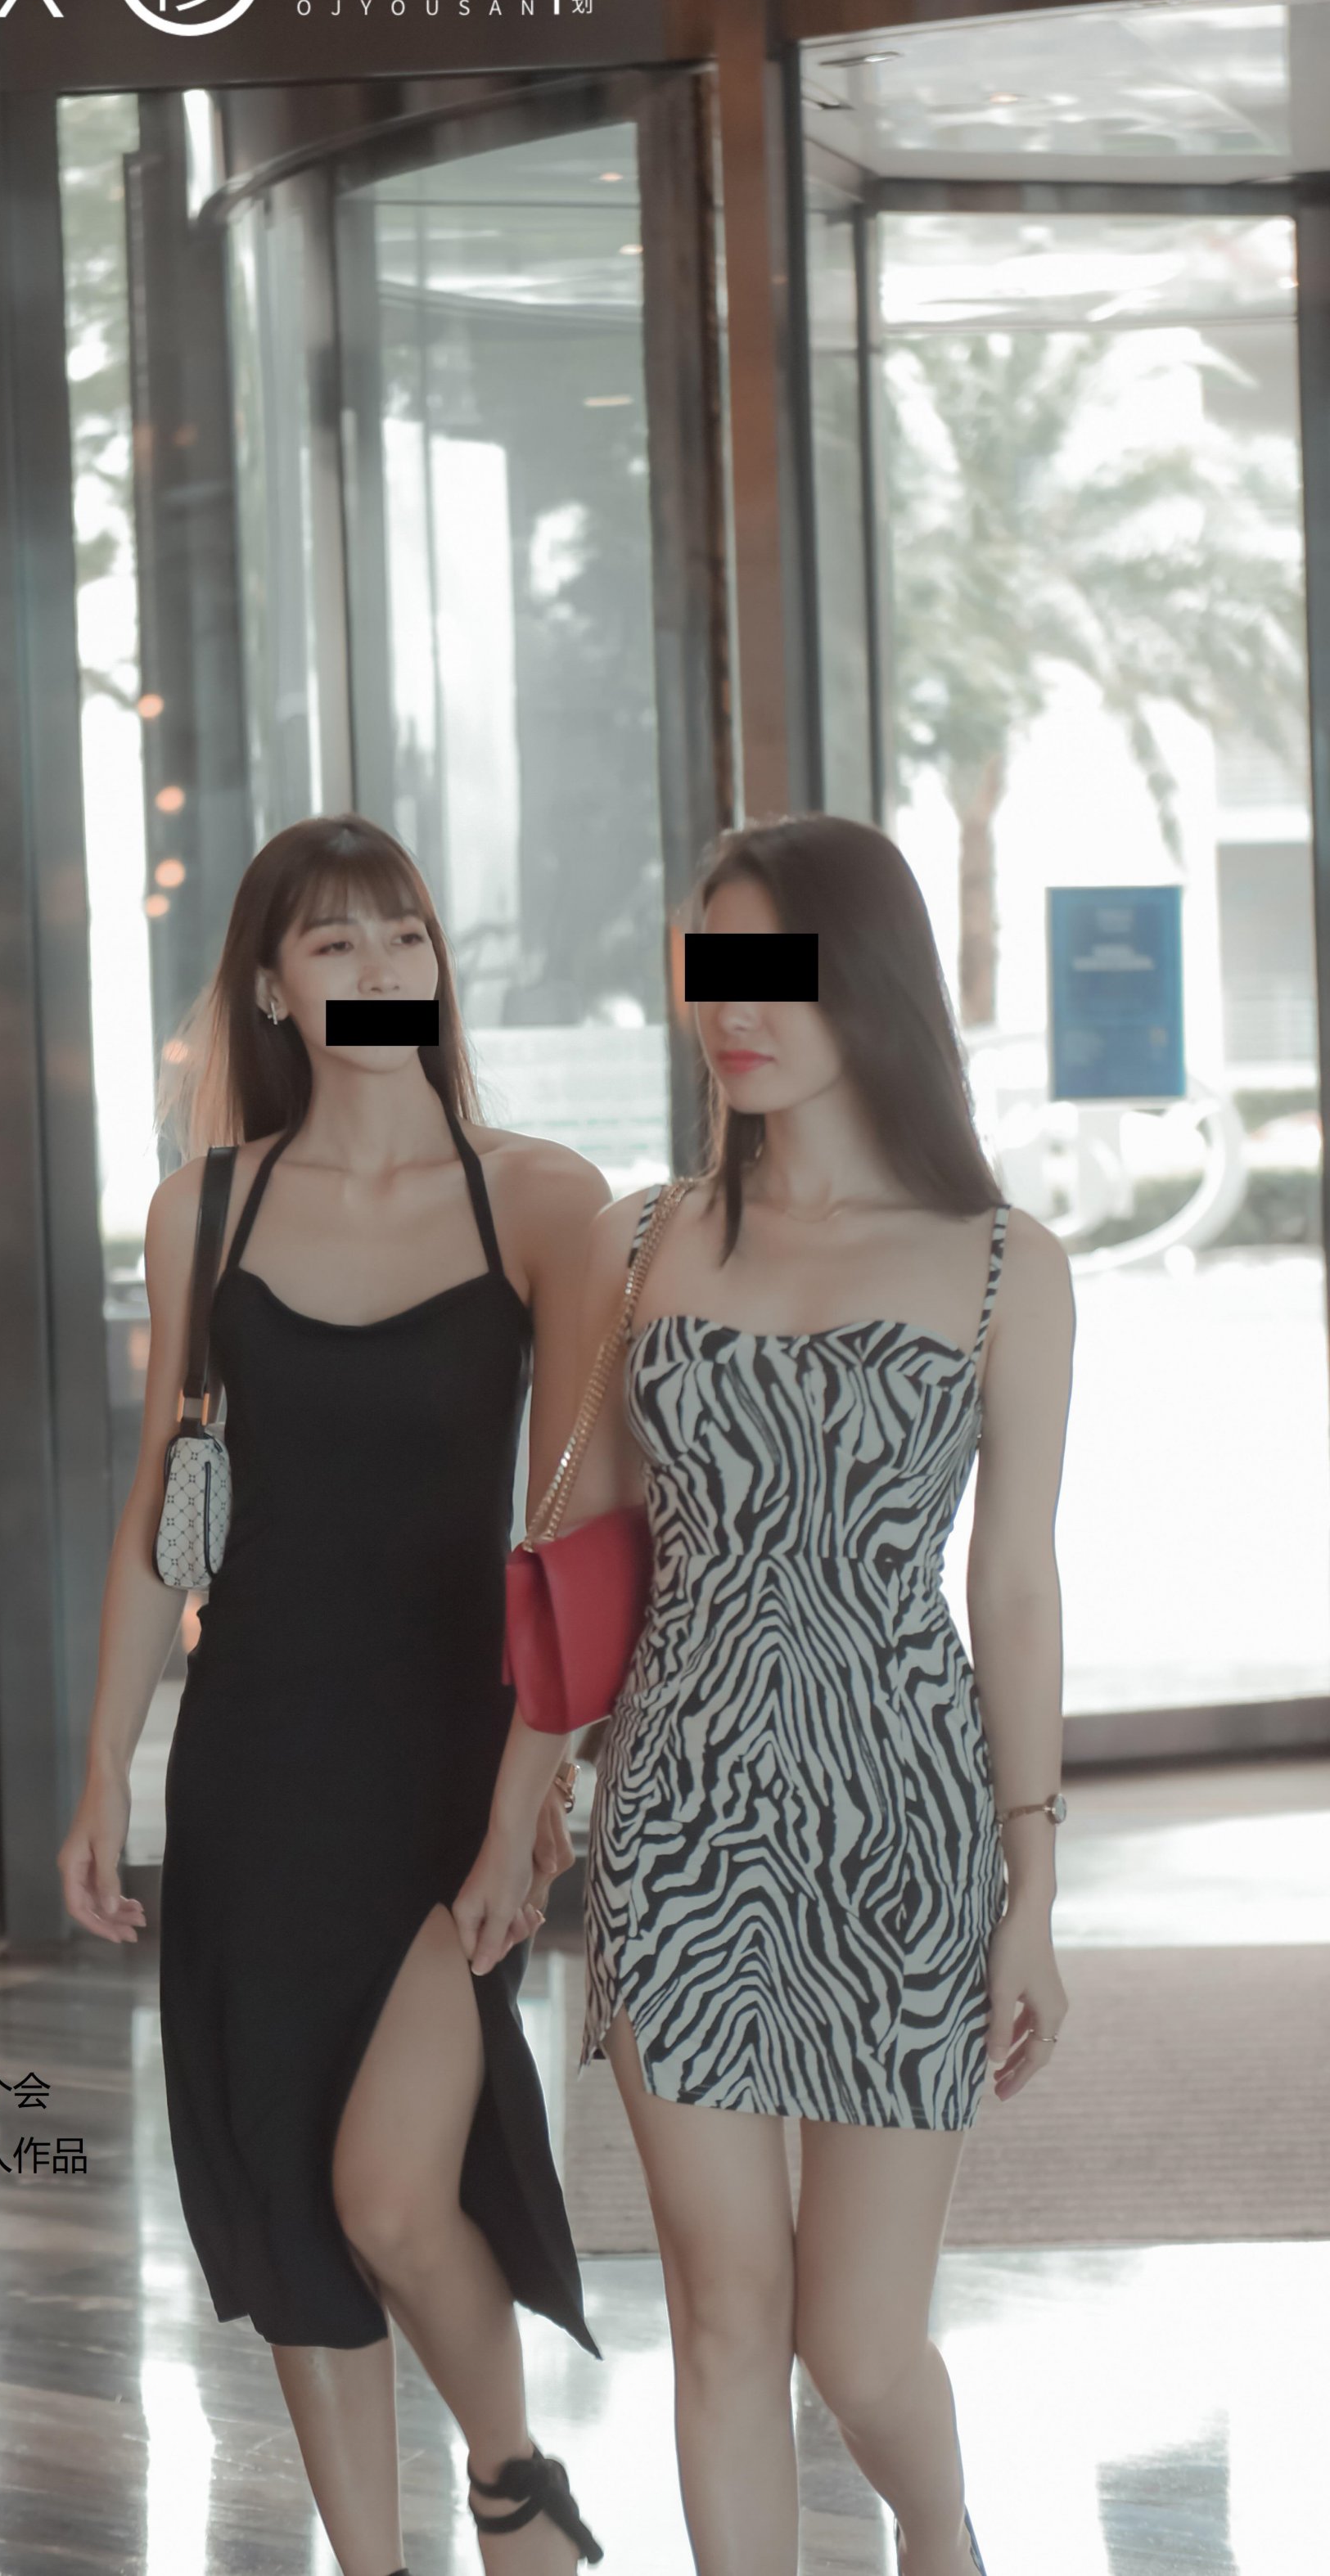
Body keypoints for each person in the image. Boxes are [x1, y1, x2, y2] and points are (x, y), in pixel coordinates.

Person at [457, 815, 1075, 2576]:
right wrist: (515, 1821)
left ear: (865, 983)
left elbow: (1013, 1588)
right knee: (724, 2316)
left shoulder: (1001, 1262)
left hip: (904, 1828)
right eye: (708, 972)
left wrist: (1034, 1892)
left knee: (856, 2345)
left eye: (771, 972)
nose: (729, 1011)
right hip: (681, 1822)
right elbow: (578, 1559)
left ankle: (939, 2537)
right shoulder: (641, 1241)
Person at [59, 815, 611, 2576]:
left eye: (405, 937)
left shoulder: (542, 1200)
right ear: (271, 990)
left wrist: (530, 1799)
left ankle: (514, 2486)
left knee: (389, 2190)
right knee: (296, 2195)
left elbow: (576, 1534)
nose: (379, 971)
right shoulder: (204, 1208)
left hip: (450, 1770)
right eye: (335, 944)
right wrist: (102, 1771)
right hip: (257, 1765)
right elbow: (164, 1510)